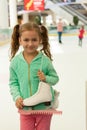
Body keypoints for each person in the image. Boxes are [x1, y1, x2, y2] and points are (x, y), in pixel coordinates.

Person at [9, 22, 59, 130]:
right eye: (26, 40)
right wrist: (17, 97)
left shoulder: (44, 61)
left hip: (44, 108)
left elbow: (55, 79)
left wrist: (46, 78)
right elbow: (13, 83)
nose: (30, 44)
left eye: (34, 40)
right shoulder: (15, 62)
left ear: (40, 40)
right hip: (25, 108)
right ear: (20, 40)